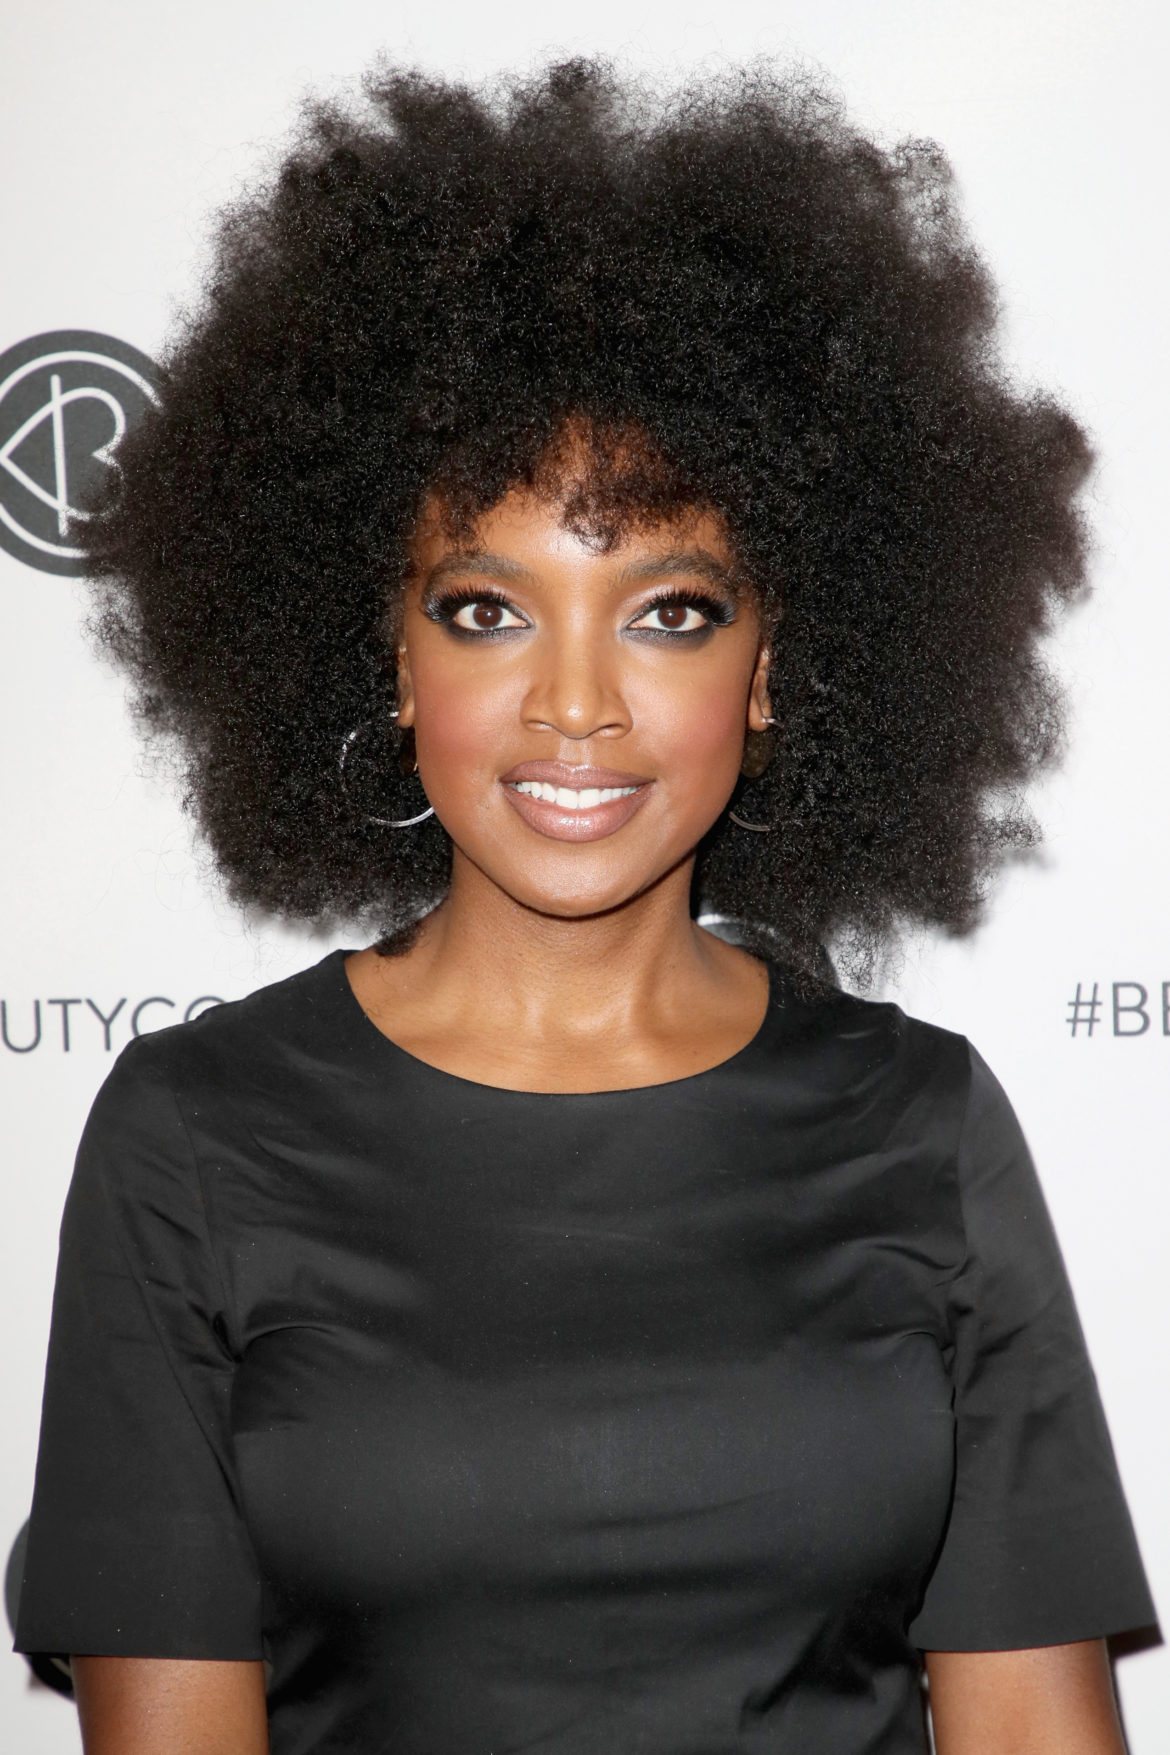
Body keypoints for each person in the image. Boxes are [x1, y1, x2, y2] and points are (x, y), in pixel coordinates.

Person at [13, 58, 1155, 1755]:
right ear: (386, 653)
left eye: (668, 611)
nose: (574, 705)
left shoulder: (921, 1124)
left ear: (769, 667)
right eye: (485, 610)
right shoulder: (195, 1136)